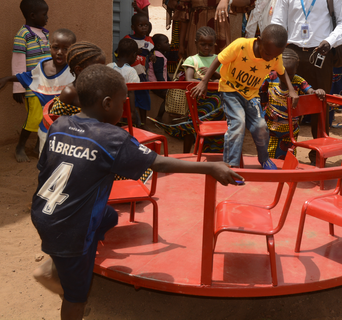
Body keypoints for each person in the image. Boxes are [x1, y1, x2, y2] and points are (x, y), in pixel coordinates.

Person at [30, 64, 241, 320]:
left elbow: (44, 170)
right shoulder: (112, 137)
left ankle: (61, 262)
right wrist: (209, 169)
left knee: (108, 217)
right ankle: (62, 275)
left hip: (44, 213)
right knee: (76, 296)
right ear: (107, 103)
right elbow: (159, 163)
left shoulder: (60, 125)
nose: (124, 106)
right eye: (123, 101)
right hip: (72, 228)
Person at [271, 0, 342, 164]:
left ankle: (318, 153)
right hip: (291, 55)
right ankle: (284, 153)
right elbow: (278, 22)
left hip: (320, 56)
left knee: (320, 105)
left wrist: (330, 41)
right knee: (285, 102)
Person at [191, 24, 298, 169]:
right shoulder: (241, 45)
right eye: (267, 54)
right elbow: (219, 59)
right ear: (259, 41)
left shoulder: (275, 56)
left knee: (260, 126)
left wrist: (291, 89)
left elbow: (281, 71)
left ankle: (264, 159)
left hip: (251, 94)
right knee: (238, 123)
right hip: (230, 90)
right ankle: (230, 166)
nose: (269, 59)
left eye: (273, 56)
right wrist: (204, 81)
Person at [0, 29, 77, 156]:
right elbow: (28, 76)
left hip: (70, 130)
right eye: (56, 47)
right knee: (46, 163)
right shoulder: (42, 66)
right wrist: (7, 79)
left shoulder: (75, 70)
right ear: (50, 47)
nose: (60, 52)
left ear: (73, 51)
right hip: (46, 128)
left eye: (66, 49)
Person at [151, 26, 224, 154]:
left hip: (216, 104)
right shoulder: (192, 60)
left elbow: (225, 79)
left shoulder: (218, 59)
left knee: (216, 129)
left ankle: (213, 155)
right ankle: (186, 154)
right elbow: (189, 80)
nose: (206, 48)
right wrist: (207, 81)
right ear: (196, 43)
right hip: (197, 101)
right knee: (191, 128)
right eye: (203, 44)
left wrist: (214, 74)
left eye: (210, 45)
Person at [260, 48, 325, 160]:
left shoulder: (299, 81)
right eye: (283, 73)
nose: (286, 78)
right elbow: (261, 94)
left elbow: (310, 91)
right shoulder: (269, 78)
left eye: (290, 74)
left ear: (296, 69)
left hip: (290, 130)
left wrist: (317, 92)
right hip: (270, 127)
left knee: (288, 155)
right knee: (269, 155)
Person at [12, 0, 51, 162]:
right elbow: (18, 63)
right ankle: (20, 147)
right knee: (34, 117)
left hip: (46, 85)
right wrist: (18, 88)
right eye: (44, 14)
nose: (47, 17)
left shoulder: (44, 34)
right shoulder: (23, 35)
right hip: (31, 85)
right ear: (33, 15)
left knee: (46, 115)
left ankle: (37, 147)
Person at [49, 42, 107, 116]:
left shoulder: (99, 89)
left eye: (103, 69)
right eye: (96, 70)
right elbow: (57, 122)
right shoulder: (69, 93)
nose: (102, 73)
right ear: (79, 70)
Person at [125, 13, 154, 127]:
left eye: (146, 25)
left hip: (142, 75)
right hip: (129, 75)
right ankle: (131, 123)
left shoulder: (149, 40)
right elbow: (119, 53)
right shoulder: (127, 39)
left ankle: (143, 123)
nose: (144, 28)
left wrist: (152, 55)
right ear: (133, 27)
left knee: (144, 99)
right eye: (140, 25)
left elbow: (151, 52)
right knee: (130, 100)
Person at [107, 38, 140, 122]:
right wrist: (132, 112)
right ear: (134, 55)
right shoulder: (131, 71)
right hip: (124, 108)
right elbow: (131, 92)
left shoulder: (108, 67)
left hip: (108, 105)